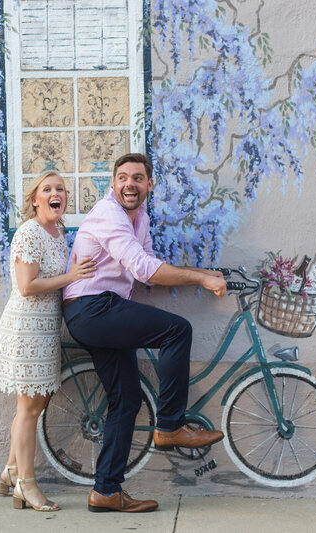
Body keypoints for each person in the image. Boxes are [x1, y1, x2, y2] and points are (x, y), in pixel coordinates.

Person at [62, 153, 227, 513]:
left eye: (137, 178)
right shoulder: (109, 215)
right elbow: (144, 270)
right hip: (93, 308)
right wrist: (200, 278)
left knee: (127, 401)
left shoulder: (141, 219)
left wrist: (206, 272)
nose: (129, 184)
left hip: (98, 313)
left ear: (149, 185)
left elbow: (152, 268)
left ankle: (106, 490)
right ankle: (170, 425)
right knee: (177, 331)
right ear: (113, 184)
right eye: (122, 177)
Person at [0, 170, 96, 512]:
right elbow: (27, 285)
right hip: (25, 328)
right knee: (28, 408)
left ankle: (11, 471)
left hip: (45, 328)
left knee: (34, 406)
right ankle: (27, 484)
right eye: (48, 189)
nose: (57, 193)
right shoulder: (29, 232)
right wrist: (71, 276)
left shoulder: (59, 232)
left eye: (61, 189)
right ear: (34, 198)